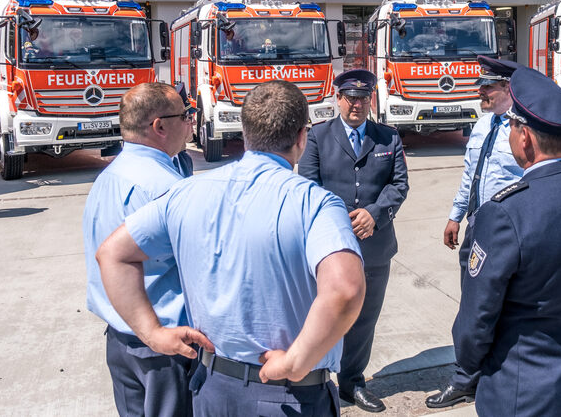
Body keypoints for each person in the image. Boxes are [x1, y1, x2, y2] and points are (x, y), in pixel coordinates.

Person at [96, 80, 366, 416]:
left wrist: (152, 333)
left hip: (211, 388)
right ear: (301, 137)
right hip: (287, 396)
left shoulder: (187, 192)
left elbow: (112, 253)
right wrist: (297, 361)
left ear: (245, 132)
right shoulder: (314, 203)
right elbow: (345, 289)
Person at [451, 66, 561, 417]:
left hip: (523, 389)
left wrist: (471, 367)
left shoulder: (504, 214)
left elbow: (475, 322)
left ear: (524, 138)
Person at [298, 69, 408, 413]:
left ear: (371, 99)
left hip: (375, 246)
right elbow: (309, 184)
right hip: (331, 245)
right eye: (350, 97)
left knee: (364, 318)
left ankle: (351, 383)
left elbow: (399, 185)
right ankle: (315, 380)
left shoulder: (388, 137)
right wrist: (343, 218)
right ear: (338, 98)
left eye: (363, 97)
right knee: (324, 314)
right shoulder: (318, 135)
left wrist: (375, 213)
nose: (356, 104)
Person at [83, 82, 195, 416]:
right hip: (164, 345)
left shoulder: (110, 175)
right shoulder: (164, 188)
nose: (191, 122)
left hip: (121, 339)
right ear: (160, 126)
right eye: (185, 115)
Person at [426, 55, 523, 410]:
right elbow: (471, 176)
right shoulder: (482, 125)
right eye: (481, 87)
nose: (481, 93)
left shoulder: (524, 129)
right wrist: (455, 216)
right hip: (475, 226)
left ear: (508, 89)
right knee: (472, 307)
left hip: (508, 232)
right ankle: (469, 376)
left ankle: (478, 376)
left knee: (499, 307)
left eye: (488, 88)